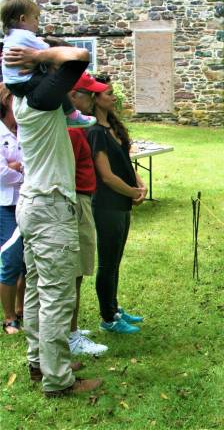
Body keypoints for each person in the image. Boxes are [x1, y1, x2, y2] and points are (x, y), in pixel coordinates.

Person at [4, 38, 102, 395]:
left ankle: (39, 363)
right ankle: (58, 380)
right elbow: (77, 58)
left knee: (35, 292)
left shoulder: (27, 100)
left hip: (33, 204)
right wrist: (40, 55)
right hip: (51, 207)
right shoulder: (42, 102)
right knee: (57, 295)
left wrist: (36, 56)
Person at [87, 75, 146, 334]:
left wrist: (140, 186)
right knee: (108, 262)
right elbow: (107, 175)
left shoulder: (114, 126)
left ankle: (114, 307)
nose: (113, 97)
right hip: (107, 204)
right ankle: (108, 318)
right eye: (108, 93)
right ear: (95, 100)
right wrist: (132, 191)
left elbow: (126, 162)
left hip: (123, 202)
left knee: (116, 259)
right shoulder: (95, 133)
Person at [0, 0, 95, 128]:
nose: (38, 23)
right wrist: (45, 48)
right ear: (23, 19)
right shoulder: (24, 35)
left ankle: (70, 114)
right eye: (36, 18)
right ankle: (72, 116)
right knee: (55, 79)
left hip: (13, 84)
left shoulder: (10, 36)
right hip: (25, 82)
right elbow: (46, 50)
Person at [66, 72, 109, 355]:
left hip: (82, 199)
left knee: (79, 271)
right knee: (74, 272)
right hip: (75, 202)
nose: (93, 99)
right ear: (73, 96)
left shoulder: (78, 127)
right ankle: (69, 336)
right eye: (88, 94)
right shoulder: (70, 131)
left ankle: (71, 328)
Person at [0, 84, 25, 334]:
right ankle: (8, 318)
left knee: (27, 260)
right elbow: (2, 174)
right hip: (6, 204)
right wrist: (21, 172)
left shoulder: (24, 129)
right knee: (10, 259)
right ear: (7, 100)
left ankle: (21, 308)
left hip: (27, 201)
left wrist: (17, 167)